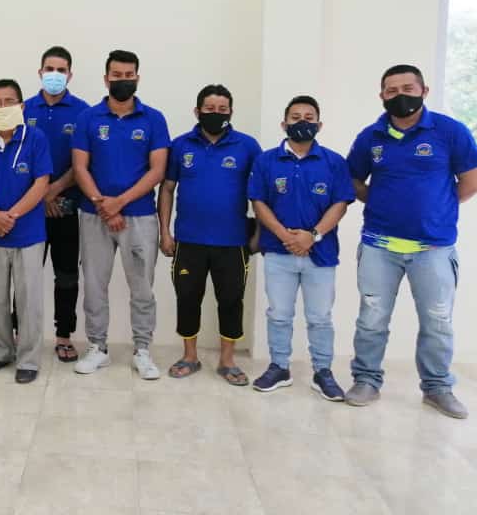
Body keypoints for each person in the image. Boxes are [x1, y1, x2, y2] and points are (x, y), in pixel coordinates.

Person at [346, 64, 477, 418]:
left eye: (407, 88)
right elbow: (353, 181)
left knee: (437, 321)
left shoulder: (450, 132)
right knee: (372, 319)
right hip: (379, 245)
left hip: (433, 248)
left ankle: (437, 387)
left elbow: (470, 181)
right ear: (382, 96)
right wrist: (381, 200)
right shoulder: (370, 137)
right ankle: (366, 380)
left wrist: (437, 208)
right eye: (392, 90)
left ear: (424, 91)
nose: (400, 95)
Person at [71, 50, 170, 379]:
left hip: (140, 217)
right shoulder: (88, 118)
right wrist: (104, 204)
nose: (123, 80)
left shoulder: (154, 119)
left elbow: (157, 171)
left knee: (142, 287)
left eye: (129, 75)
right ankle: (97, 347)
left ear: (137, 78)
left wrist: (120, 202)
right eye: (117, 75)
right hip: (93, 215)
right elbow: (80, 167)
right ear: (106, 78)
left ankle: (142, 350)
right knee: (94, 284)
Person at [248, 95, 354, 400]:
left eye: (309, 118)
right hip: (278, 252)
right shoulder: (266, 161)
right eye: (295, 118)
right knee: (279, 314)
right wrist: (286, 236)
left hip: (320, 254)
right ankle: (279, 367)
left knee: (320, 317)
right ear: (284, 124)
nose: (302, 123)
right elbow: (258, 202)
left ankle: (323, 372)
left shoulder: (334, 162)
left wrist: (313, 235)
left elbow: (340, 203)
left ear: (319, 125)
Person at [159, 85, 262, 385]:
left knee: (231, 300)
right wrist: (165, 232)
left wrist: (260, 235)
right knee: (187, 298)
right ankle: (189, 356)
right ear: (197, 111)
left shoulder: (248, 146)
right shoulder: (181, 145)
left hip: (233, 241)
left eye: (222, 110)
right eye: (209, 109)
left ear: (231, 112)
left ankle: (227, 361)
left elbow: (262, 193)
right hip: (188, 240)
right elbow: (167, 189)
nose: (216, 114)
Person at [0, 79, 53, 384]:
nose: (3, 107)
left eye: (9, 101)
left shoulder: (36, 138)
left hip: (28, 234)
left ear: (21, 106)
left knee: (28, 300)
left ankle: (29, 359)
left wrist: (12, 216)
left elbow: (41, 183)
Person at [23, 46, 91, 362]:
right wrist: (39, 197)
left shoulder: (84, 112)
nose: (55, 75)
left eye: (61, 70)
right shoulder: (23, 109)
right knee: (25, 277)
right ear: (40, 72)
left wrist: (54, 191)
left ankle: (64, 336)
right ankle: (20, 334)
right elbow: (15, 158)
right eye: (49, 69)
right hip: (29, 211)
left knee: (66, 276)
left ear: (70, 75)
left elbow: (83, 163)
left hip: (67, 208)